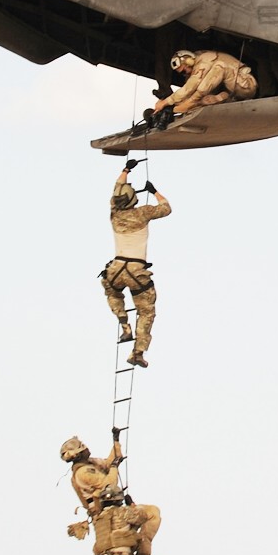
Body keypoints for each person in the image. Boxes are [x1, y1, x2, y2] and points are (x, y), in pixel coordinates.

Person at [60, 435, 162, 555]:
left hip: (114, 508)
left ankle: (142, 552)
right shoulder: (83, 473)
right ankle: (143, 553)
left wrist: (116, 441)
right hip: (108, 512)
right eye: (82, 448)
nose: (86, 448)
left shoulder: (90, 464)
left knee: (152, 512)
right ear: (78, 454)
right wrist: (114, 467)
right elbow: (109, 483)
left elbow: (110, 462)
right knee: (152, 513)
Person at [103, 163, 168, 367]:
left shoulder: (114, 214)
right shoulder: (143, 213)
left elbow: (116, 191)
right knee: (146, 311)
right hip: (136, 271)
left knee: (113, 293)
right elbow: (166, 208)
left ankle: (124, 324)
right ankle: (138, 352)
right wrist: (154, 191)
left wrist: (125, 170)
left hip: (116, 268)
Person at [147, 49, 256, 126]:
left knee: (219, 67)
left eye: (184, 70)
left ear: (189, 61)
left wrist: (166, 102)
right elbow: (189, 91)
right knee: (202, 100)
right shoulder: (197, 66)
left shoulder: (204, 60)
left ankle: (184, 106)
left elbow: (189, 87)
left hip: (246, 86)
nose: (184, 74)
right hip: (232, 94)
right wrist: (171, 107)